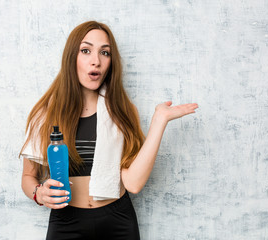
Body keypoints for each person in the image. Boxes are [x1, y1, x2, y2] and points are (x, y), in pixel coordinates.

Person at [20, 21, 198, 240]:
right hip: (66, 221)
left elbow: (133, 183)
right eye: (86, 51)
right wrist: (39, 194)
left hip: (118, 221)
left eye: (105, 53)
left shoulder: (121, 110)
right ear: (71, 58)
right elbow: (29, 176)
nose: (96, 61)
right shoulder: (47, 112)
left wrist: (159, 121)